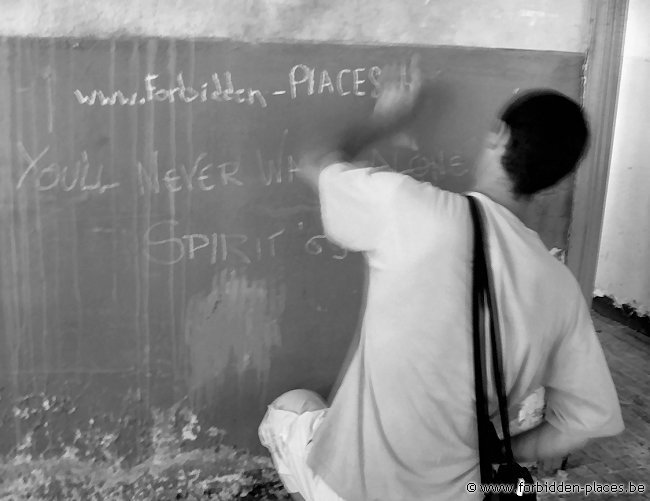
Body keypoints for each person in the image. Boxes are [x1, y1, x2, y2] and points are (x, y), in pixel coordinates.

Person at [258, 57, 624, 501]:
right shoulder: (560, 287)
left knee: (289, 408)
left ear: (500, 137)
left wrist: (385, 118)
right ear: (553, 180)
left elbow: (314, 161)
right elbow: (587, 419)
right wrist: (496, 461)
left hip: (352, 486)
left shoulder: (412, 210)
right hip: (461, 493)